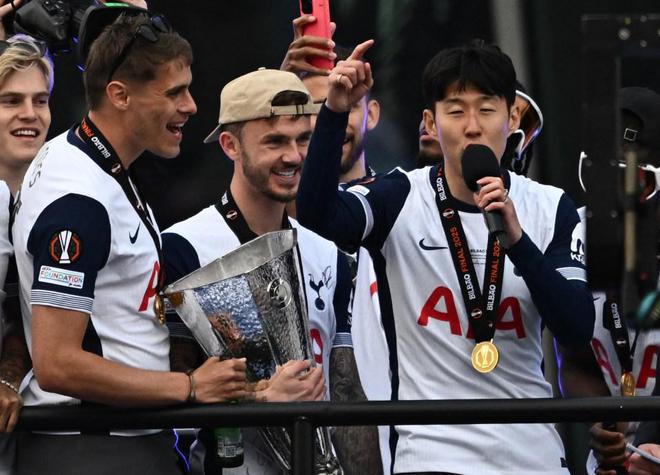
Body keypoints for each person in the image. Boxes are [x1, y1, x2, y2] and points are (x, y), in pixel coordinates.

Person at [296, 39, 595, 474]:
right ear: (430, 123)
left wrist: (518, 243)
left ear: (512, 118)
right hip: (431, 453)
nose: (472, 127)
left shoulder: (550, 207)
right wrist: (335, 111)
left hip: (534, 456)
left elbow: (577, 328)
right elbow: (316, 215)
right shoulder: (401, 195)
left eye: (486, 110)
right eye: (455, 111)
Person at [9, 13, 264, 475]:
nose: (190, 106)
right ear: (120, 95)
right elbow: (57, 363)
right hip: (95, 452)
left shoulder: (88, 159)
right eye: (173, 93)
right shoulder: (80, 197)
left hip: (118, 442)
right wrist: (190, 387)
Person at [162, 67, 381, 475]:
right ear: (230, 145)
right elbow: (172, 383)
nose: (293, 156)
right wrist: (260, 397)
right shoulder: (183, 246)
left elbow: (347, 392)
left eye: (303, 140)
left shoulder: (328, 254)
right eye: (275, 141)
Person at [282, 17, 392, 472]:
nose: (333, 115)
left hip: (400, 441)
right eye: (315, 107)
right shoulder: (273, 215)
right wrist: (277, 83)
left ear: (373, 113)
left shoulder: (405, 204)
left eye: (346, 102)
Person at [557, 86, 660, 475]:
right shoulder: (575, 232)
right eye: (598, 175)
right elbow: (577, 361)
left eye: (635, 180)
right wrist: (603, 419)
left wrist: (651, 437)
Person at [0, 33, 52, 475]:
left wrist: (8, 377)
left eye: (41, 100)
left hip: (35, 437)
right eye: (10, 101)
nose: (30, 114)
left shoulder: (60, 198)